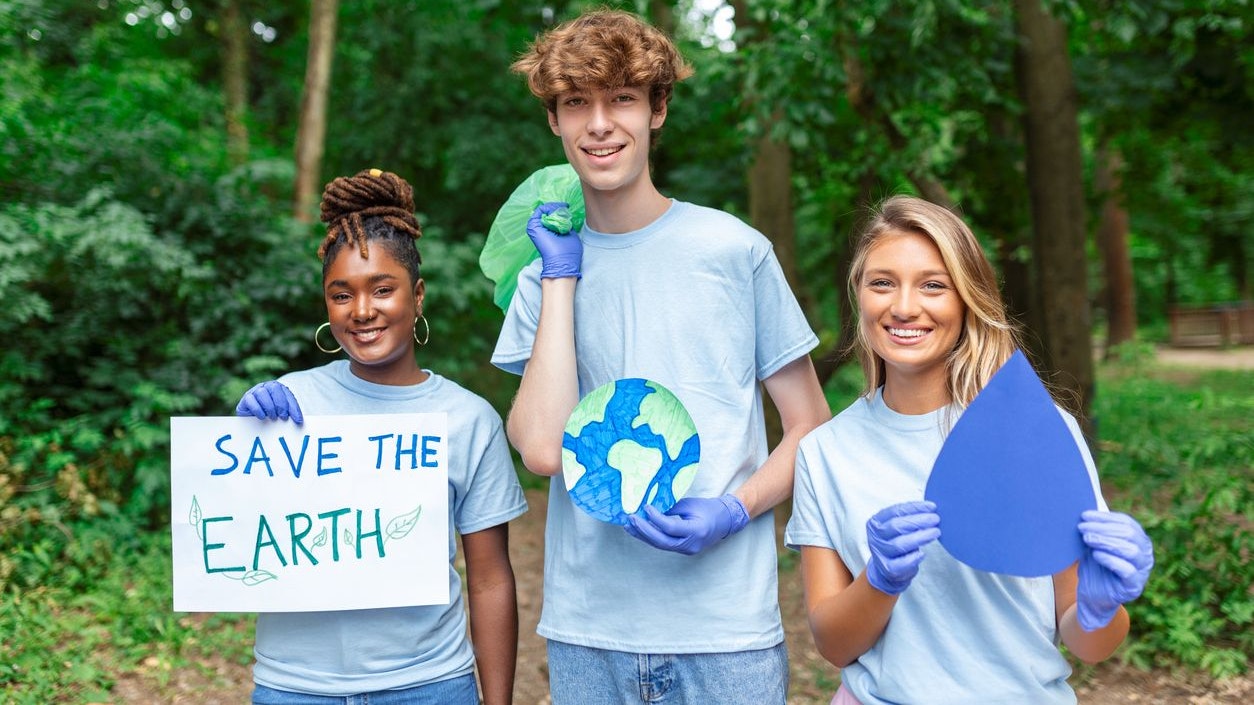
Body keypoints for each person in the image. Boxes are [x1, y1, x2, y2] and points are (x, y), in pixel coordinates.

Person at [491, 9, 831, 705]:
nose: (599, 124)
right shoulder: (541, 277)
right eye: (576, 104)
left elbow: (811, 426)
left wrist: (735, 510)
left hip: (726, 634)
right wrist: (561, 276)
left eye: (621, 99)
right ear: (554, 120)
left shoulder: (735, 251)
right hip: (590, 635)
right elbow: (543, 450)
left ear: (657, 110)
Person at [785, 195, 1154, 705]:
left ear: (967, 298)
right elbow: (833, 644)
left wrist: (1100, 607)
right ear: (859, 295)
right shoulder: (824, 452)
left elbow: (1089, 646)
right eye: (882, 282)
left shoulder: (1038, 432)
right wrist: (880, 580)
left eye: (933, 285)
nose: (904, 306)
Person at [234, 168, 527, 705]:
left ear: (417, 297)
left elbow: (489, 580)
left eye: (382, 289)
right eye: (341, 294)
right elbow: (248, 531)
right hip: (295, 688)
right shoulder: (288, 404)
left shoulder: (467, 420)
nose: (362, 311)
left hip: (429, 686)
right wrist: (245, 440)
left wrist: (499, 702)